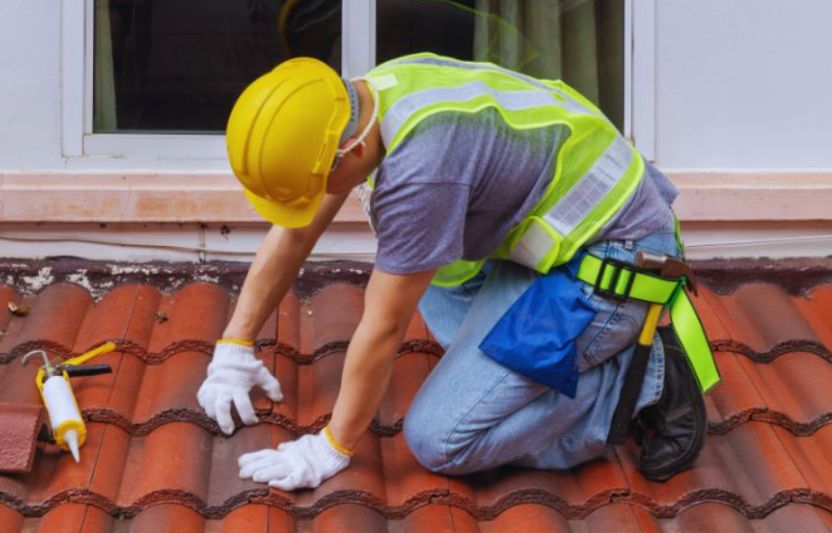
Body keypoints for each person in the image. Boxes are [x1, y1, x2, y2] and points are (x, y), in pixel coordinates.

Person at [197, 54, 720, 491]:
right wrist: (234, 347)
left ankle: (636, 385)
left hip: (616, 262)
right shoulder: (372, 95)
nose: (316, 203)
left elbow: (382, 326)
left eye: (317, 185)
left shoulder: (423, 171)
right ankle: (549, 360)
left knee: (441, 439)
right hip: (562, 243)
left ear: (347, 152)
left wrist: (331, 446)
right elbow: (295, 233)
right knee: (435, 277)